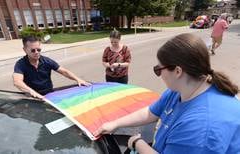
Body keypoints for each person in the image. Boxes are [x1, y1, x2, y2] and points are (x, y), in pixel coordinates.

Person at [94, 33, 240, 154]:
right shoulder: (181, 89)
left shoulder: (200, 130)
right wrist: (115, 123)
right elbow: (151, 112)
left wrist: (137, 143)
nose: (158, 74)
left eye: (159, 69)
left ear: (177, 71)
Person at [13, 36, 90, 99]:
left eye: (38, 49)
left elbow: (63, 71)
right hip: (32, 97)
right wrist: (32, 93)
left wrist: (78, 79)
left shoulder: (46, 61)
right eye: (33, 50)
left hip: (49, 95)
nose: (37, 52)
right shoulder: (21, 64)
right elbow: (17, 82)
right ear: (25, 50)